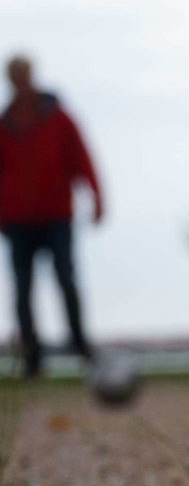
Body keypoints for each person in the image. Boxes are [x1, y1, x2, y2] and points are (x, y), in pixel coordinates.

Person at [0, 55, 103, 379]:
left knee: (66, 280)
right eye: (14, 75)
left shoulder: (59, 119)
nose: (20, 80)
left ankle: (82, 346)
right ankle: (32, 359)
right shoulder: (4, 124)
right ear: (9, 79)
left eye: (24, 73)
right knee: (22, 288)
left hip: (57, 215)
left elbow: (82, 158)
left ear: (32, 75)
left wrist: (97, 196)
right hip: (17, 220)